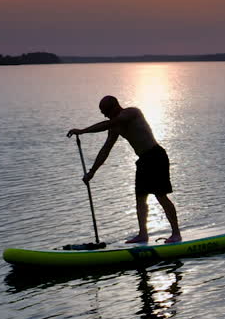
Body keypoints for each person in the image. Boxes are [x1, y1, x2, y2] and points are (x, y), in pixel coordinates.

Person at [67, 96, 182, 244]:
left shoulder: (131, 113)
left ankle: (176, 234)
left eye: (105, 111)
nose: (104, 115)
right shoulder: (115, 127)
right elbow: (105, 150)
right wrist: (92, 172)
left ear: (114, 107)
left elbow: (108, 123)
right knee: (140, 198)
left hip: (156, 156)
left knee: (160, 196)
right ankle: (143, 235)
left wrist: (82, 131)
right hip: (143, 161)